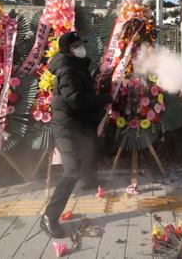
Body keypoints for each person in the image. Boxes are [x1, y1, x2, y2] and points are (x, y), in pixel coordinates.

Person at [40, 31, 112, 238]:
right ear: (69, 50)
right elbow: (76, 99)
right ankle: (49, 217)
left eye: (82, 44)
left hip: (77, 124)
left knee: (89, 150)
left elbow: (81, 89)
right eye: (78, 46)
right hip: (67, 127)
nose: (83, 48)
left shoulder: (75, 67)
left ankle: (89, 181)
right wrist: (102, 99)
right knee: (71, 170)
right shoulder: (67, 70)